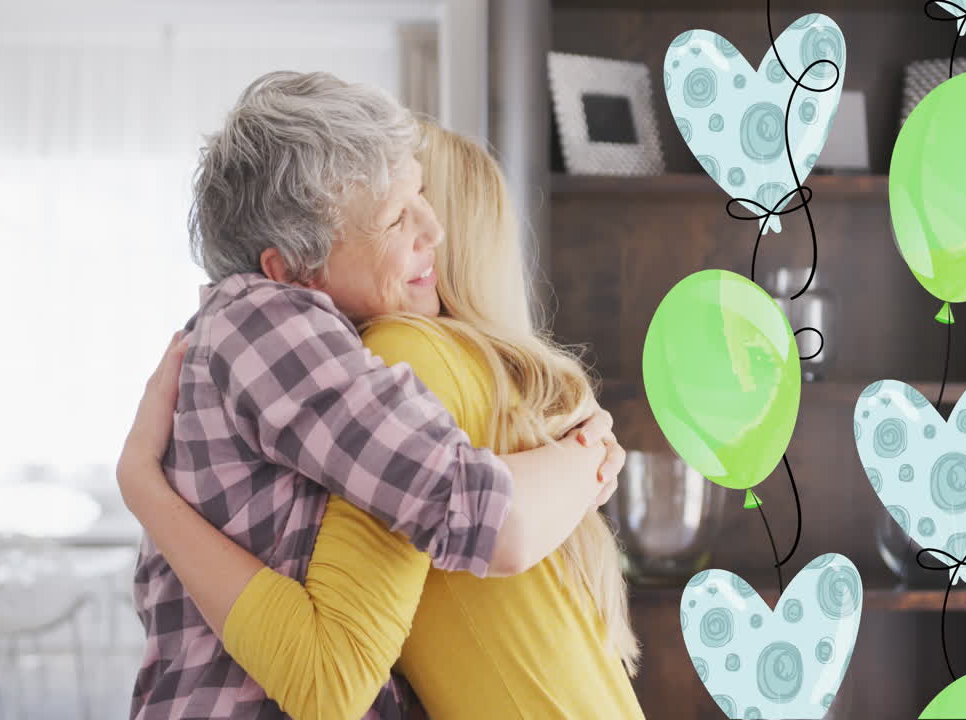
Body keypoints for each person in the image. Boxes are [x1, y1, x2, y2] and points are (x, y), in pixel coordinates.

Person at [124, 72, 626, 720]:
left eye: (421, 195)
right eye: (395, 218)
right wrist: (591, 454)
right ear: (288, 271)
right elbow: (489, 522)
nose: (433, 230)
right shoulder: (266, 321)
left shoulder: (265, 342)